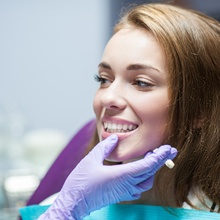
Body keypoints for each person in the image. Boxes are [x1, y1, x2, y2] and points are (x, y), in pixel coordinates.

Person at [20, 2, 220, 220]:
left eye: (141, 82)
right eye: (104, 79)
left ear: (199, 111)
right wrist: (66, 210)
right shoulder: (60, 209)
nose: (107, 98)